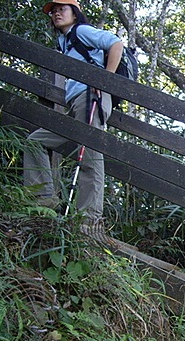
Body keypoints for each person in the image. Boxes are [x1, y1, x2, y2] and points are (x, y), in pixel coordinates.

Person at [24, 0, 123, 226]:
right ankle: (44, 200)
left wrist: (105, 80)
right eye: (54, 11)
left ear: (75, 14)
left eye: (62, 9)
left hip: (91, 98)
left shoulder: (82, 31)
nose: (57, 14)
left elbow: (116, 43)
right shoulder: (64, 41)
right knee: (35, 141)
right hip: (76, 103)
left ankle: (88, 220)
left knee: (90, 157)